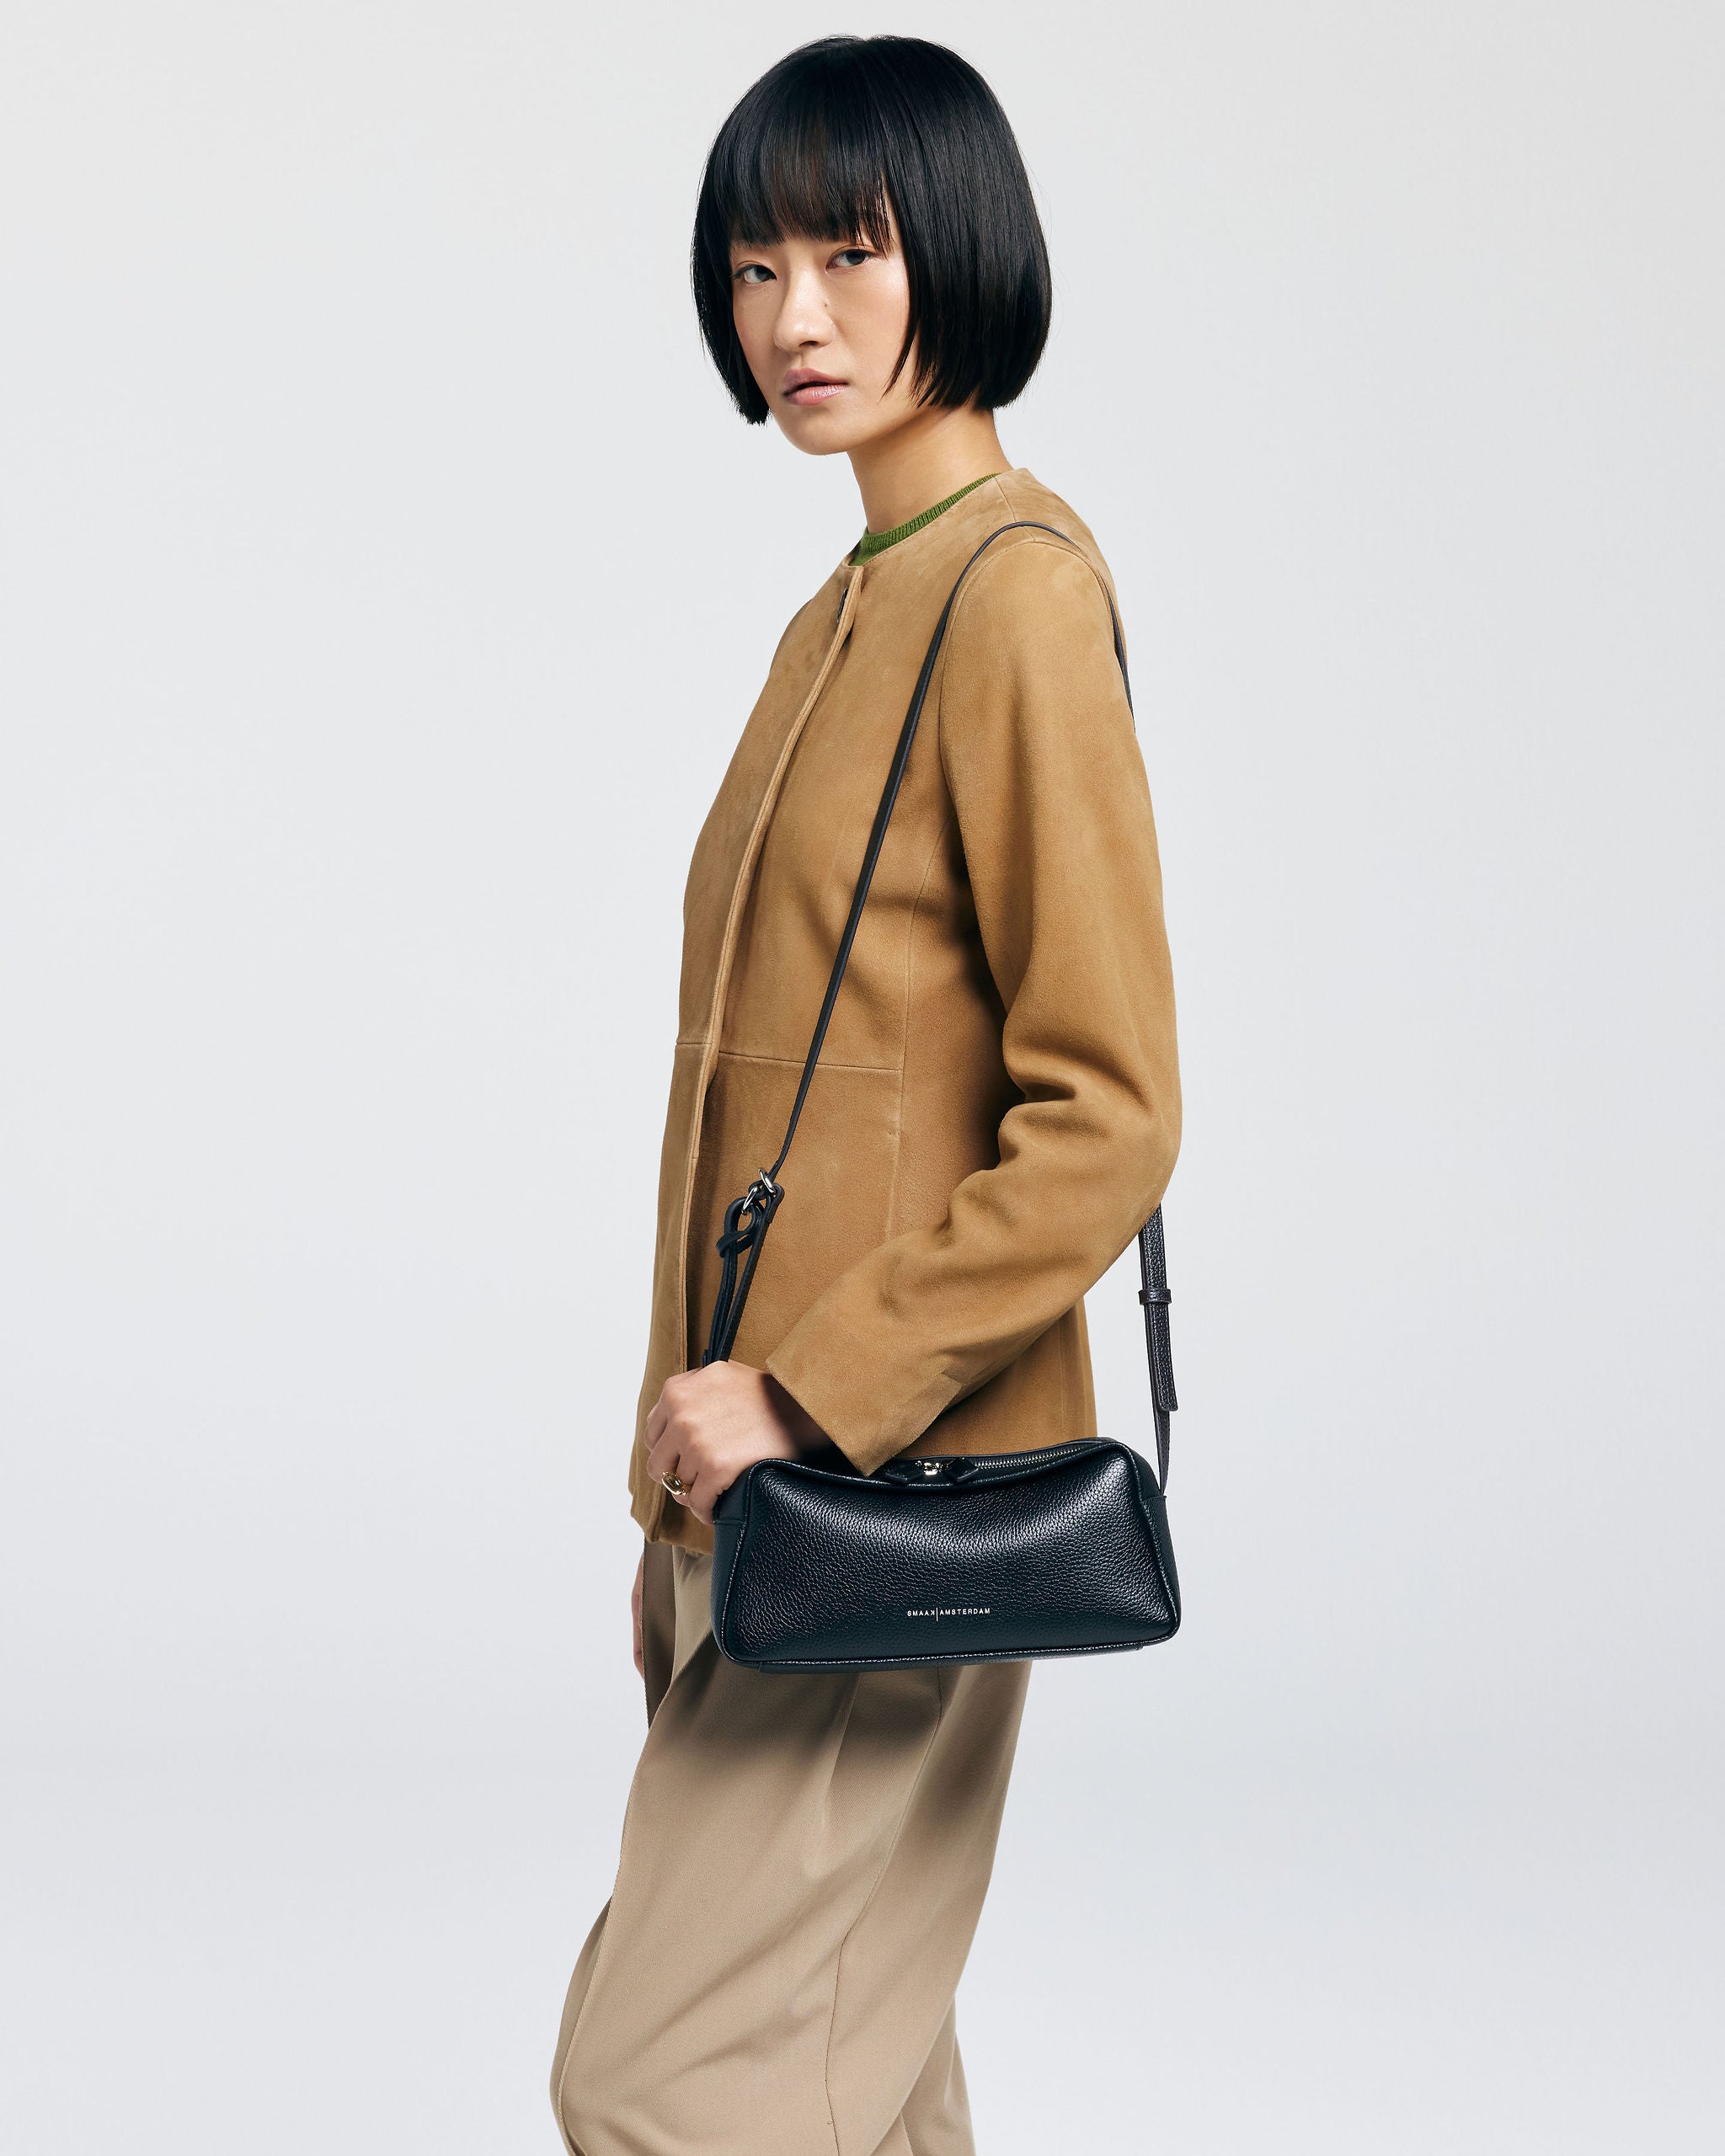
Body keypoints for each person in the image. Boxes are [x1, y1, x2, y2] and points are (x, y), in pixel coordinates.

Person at [550, 35, 1180, 2154]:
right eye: (754, 268)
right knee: (858, 2087)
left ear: (960, 252)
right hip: (760, 1504)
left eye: (849, 252)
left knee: (658, 2085)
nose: (794, 316)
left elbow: (1108, 1113)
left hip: (890, 1491)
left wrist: (807, 1398)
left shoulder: (1015, 597)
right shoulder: (852, 604)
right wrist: (687, 1487)